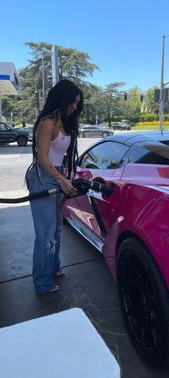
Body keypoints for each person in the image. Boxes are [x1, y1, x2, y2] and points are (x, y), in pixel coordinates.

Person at [26, 79, 83, 294]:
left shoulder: (65, 122)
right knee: (45, 233)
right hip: (43, 177)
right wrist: (61, 179)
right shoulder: (48, 122)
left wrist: (69, 175)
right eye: (73, 102)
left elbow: (64, 155)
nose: (74, 107)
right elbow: (42, 157)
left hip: (57, 174)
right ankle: (42, 282)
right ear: (63, 98)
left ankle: (53, 267)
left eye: (77, 103)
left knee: (57, 228)